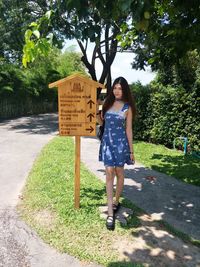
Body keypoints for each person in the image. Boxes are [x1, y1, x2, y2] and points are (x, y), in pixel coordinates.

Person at [96, 77, 136, 230]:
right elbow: (102, 123)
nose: (117, 91)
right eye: (115, 88)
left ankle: (116, 201)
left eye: (120, 88)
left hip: (121, 145)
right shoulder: (107, 103)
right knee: (109, 173)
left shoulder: (127, 107)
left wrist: (131, 150)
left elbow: (128, 130)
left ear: (124, 90)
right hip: (107, 143)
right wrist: (96, 115)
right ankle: (110, 213)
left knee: (119, 172)